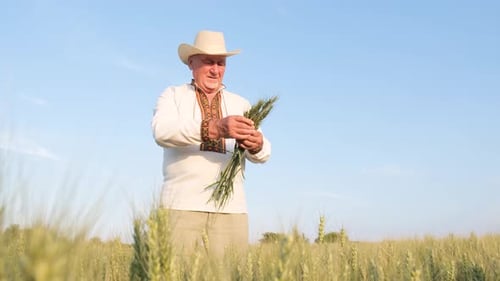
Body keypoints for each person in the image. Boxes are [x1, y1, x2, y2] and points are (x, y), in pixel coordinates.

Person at [152, 30, 271, 257]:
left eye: (221, 63)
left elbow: (264, 153)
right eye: (208, 62)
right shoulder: (173, 95)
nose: (216, 70)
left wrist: (257, 144)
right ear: (191, 62)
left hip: (231, 211)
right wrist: (215, 127)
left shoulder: (241, 103)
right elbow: (161, 131)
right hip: (179, 208)